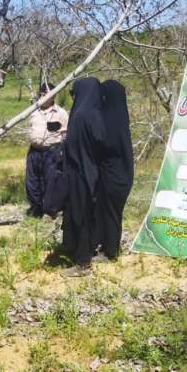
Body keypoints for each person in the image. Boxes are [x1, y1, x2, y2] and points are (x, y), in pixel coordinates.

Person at [60, 77, 106, 277]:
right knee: (89, 213)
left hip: (78, 173)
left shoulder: (79, 116)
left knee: (80, 216)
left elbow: (72, 147)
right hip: (93, 172)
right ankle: (87, 250)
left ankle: (83, 263)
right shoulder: (97, 114)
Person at [94, 80, 134, 261]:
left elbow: (105, 145)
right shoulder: (121, 117)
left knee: (110, 213)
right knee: (113, 213)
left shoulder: (109, 121)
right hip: (122, 175)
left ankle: (110, 252)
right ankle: (108, 246)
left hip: (113, 177)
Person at [25, 83, 69, 217]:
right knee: (32, 181)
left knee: (50, 180)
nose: (43, 96)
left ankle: (51, 208)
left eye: (47, 94)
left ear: (53, 95)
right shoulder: (33, 111)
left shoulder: (61, 112)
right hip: (34, 150)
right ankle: (35, 208)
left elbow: (66, 133)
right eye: (42, 93)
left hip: (52, 151)